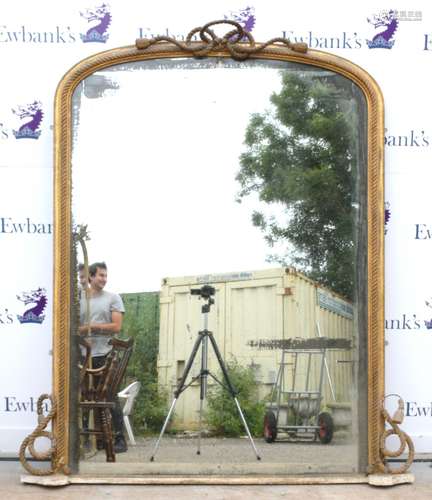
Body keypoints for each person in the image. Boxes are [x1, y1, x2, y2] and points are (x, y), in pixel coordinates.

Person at [79, 261, 128, 453]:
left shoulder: (113, 298)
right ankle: (89, 438)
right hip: (83, 355)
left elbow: (116, 327)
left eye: (106, 276)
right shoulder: (80, 299)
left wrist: (91, 327)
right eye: (101, 275)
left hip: (105, 354)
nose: (104, 279)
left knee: (108, 396)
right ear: (90, 277)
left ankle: (119, 438)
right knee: (85, 397)